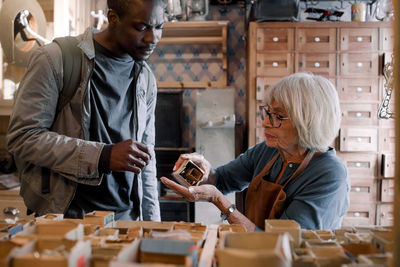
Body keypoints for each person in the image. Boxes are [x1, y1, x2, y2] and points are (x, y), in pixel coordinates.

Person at [6, 0, 166, 221]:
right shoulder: (55, 58)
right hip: (67, 220)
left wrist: (152, 228)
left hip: (128, 222)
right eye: (141, 28)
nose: (153, 38)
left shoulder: (146, 78)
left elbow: (147, 159)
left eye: (159, 27)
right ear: (113, 19)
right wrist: (102, 156)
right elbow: (22, 138)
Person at [161, 72, 350, 231]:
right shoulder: (268, 151)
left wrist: (219, 201)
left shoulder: (329, 174)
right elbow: (221, 180)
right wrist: (204, 171)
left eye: (278, 116)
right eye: (268, 112)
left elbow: (284, 244)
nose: (265, 122)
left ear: (308, 121)